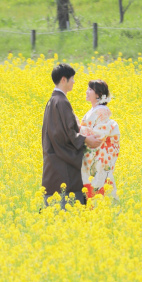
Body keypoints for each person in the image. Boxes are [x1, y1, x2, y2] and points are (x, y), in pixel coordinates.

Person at [41, 63, 86, 209]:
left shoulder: (53, 100)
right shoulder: (61, 102)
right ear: (63, 80)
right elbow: (65, 135)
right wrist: (85, 140)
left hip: (53, 167)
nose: (74, 82)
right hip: (63, 170)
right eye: (72, 79)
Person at [79, 79, 120, 202]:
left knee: (97, 184)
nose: (86, 92)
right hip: (92, 156)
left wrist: (76, 128)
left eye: (90, 89)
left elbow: (98, 135)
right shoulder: (94, 110)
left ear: (98, 94)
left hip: (98, 156)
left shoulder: (101, 111)